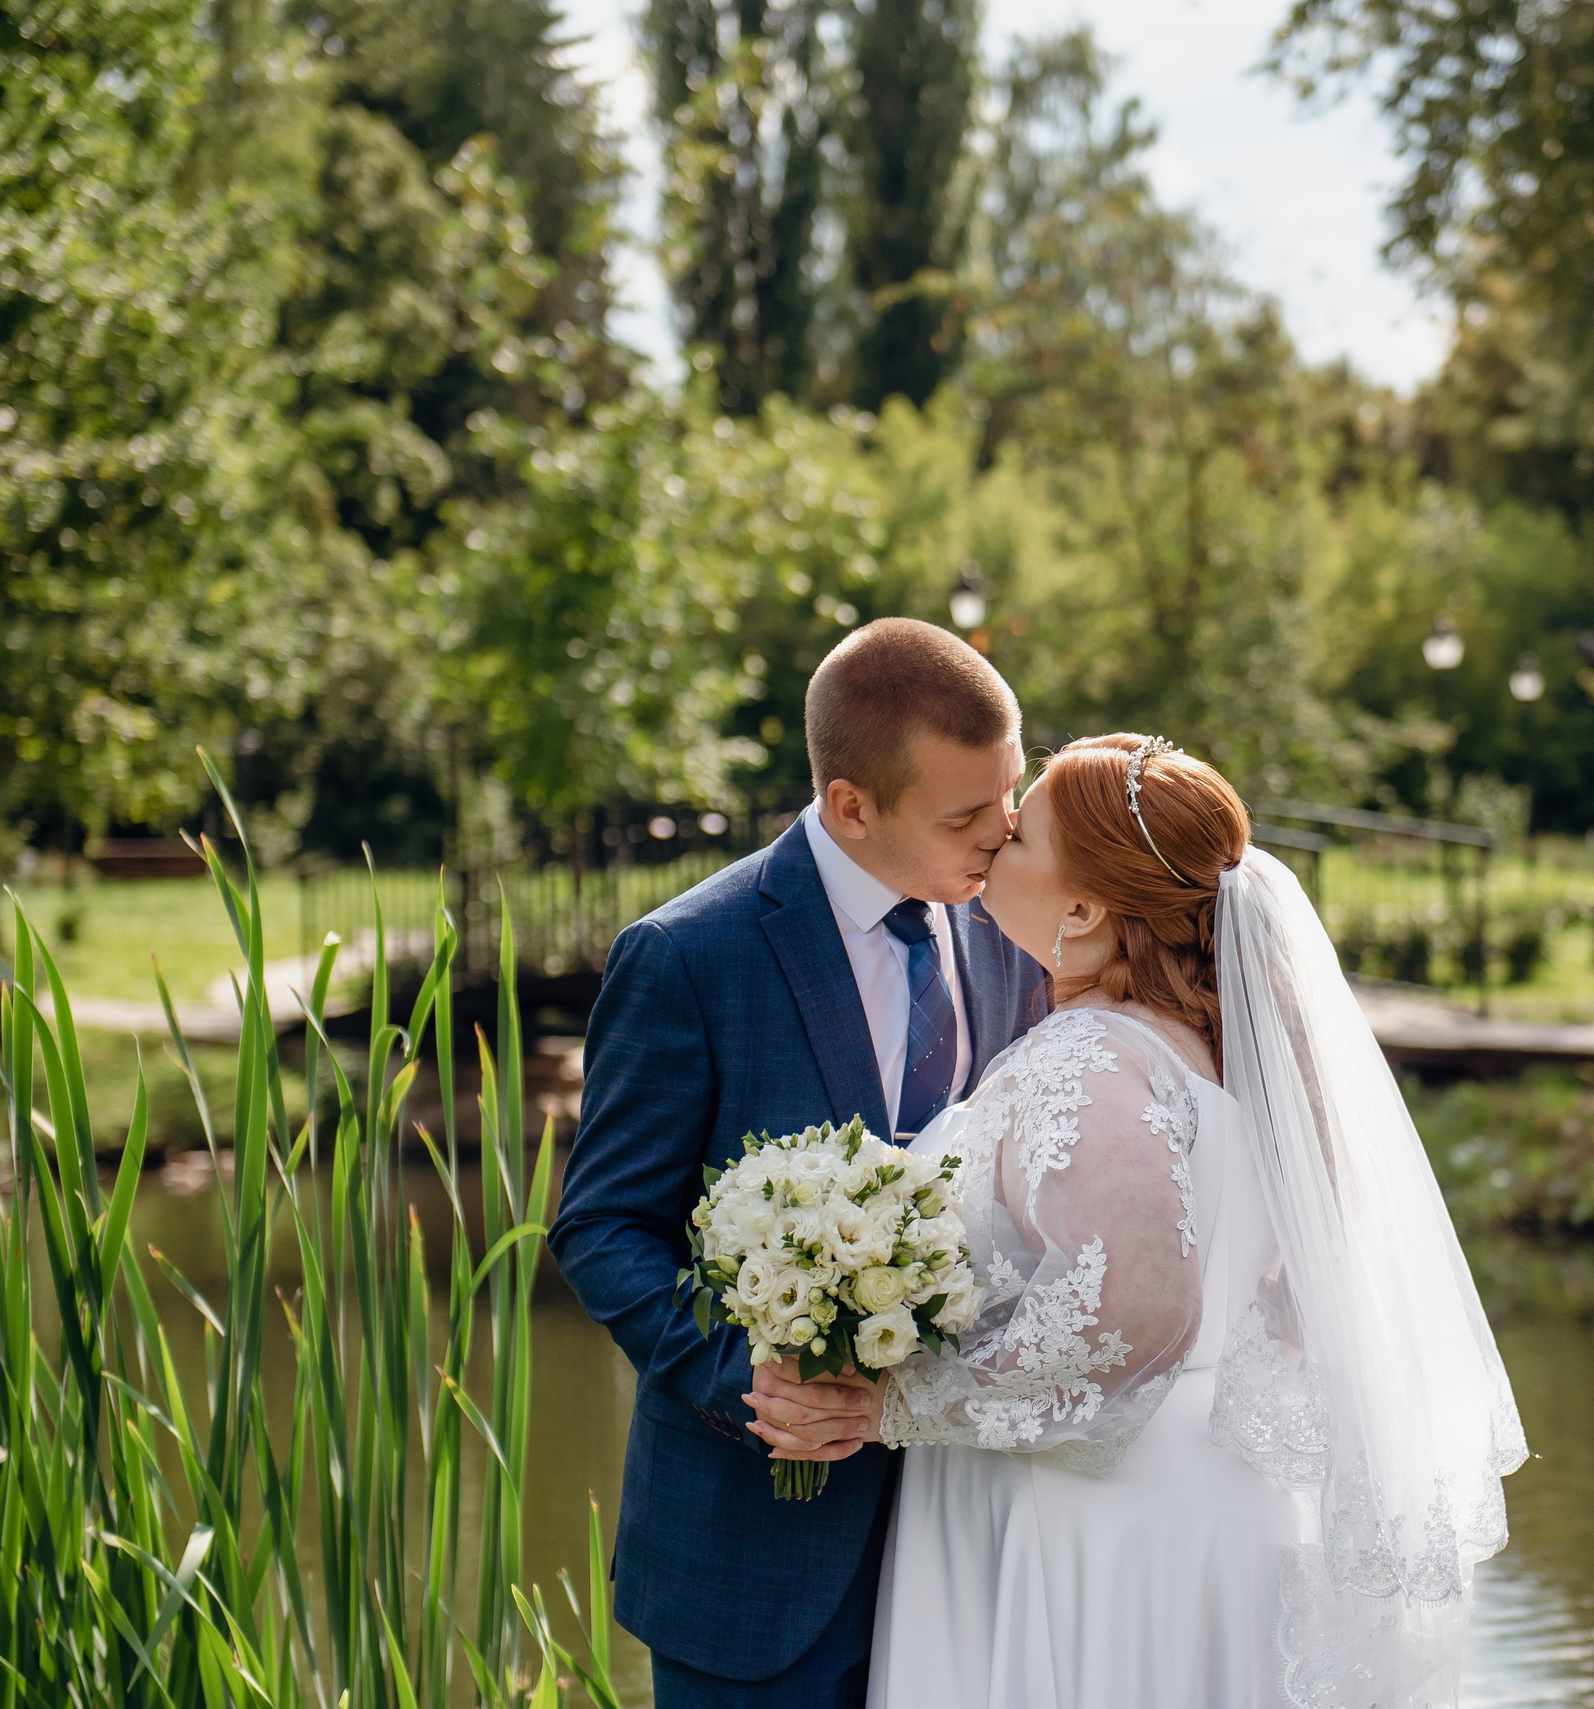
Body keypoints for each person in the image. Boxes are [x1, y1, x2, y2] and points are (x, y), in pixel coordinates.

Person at [744, 733, 1529, 1709]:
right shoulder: (1218, 1052)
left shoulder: (1095, 1052)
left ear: (1082, 905)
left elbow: (1143, 1304)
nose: (994, 839)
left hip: (1091, 1521)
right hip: (1184, 1490)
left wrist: (898, 1399)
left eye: (1020, 832)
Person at [550, 618, 1050, 1708]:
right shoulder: (689, 956)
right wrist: (755, 1381)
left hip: (978, 1536)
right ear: (851, 805)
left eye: (1011, 796)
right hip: (754, 1554)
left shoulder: (1014, 921)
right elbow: (599, 1228)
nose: (1004, 834)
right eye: (966, 813)